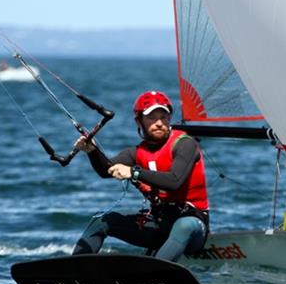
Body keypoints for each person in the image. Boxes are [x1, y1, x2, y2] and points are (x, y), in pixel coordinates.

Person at [72, 90, 209, 262]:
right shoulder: (136, 153)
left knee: (184, 226)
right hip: (159, 225)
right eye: (152, 118)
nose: (159, 123)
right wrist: (92, 151)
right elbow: (106, 170)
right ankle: (72, 274)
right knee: (102, 220)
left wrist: (134, 172)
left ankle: (153, 277)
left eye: (164, 117)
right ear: (139, 121)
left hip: (193, 226)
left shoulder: (185, 144)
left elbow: (174, 181)